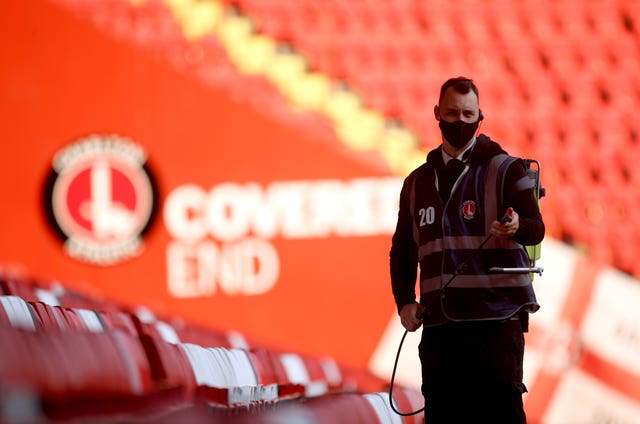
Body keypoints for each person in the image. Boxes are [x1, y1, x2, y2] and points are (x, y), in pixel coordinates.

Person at [389, 76, 545, 423]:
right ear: (437, 114)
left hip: (495, 324)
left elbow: (536, 229)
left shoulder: (507, 170)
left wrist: (517, 225)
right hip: (442, 328)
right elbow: (402, 251)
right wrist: (404, 302)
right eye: (452, 113)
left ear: (480, 117)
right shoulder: (415, 183)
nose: (460, 121)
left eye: (468, 114)